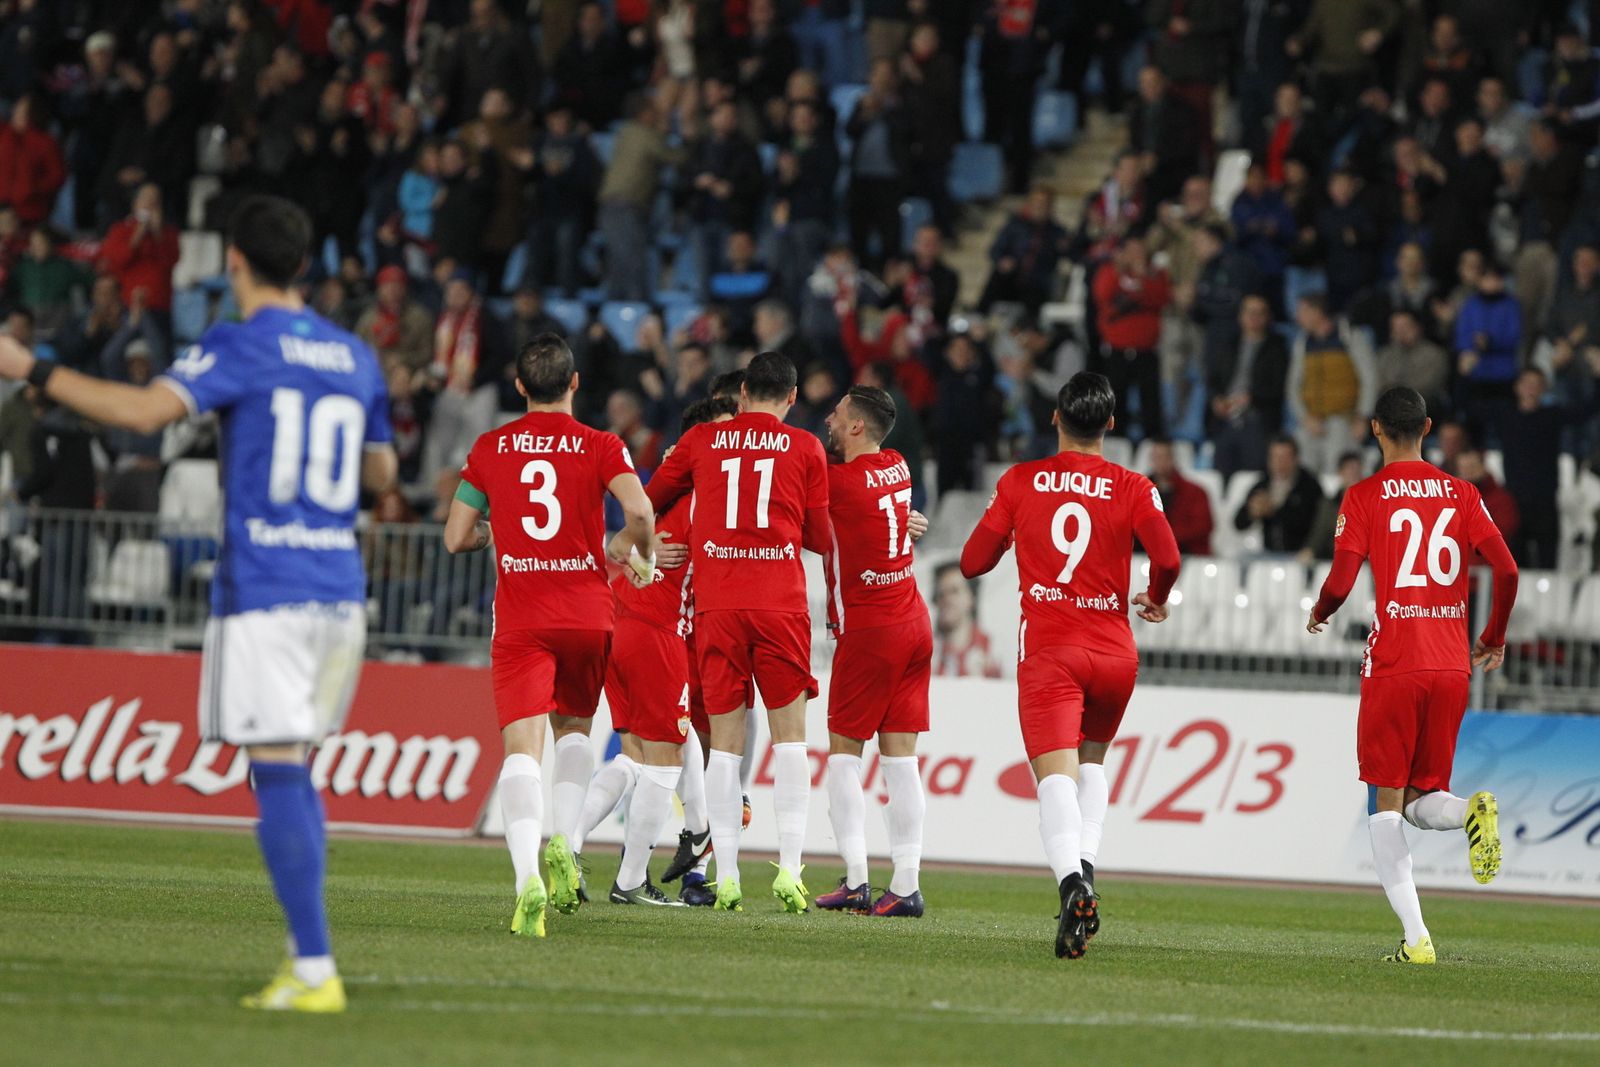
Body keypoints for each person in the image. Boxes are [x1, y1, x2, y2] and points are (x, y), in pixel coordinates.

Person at [0, 195, 400, 1012]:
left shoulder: (240, 342)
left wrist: (27, 367)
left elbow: (144, 411)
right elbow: (383, 473)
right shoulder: (355, 355)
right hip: (339, 591)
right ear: (305, 265)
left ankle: (315, 968)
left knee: (275, 769)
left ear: (234, 262)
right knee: (292, 765)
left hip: (268, 589)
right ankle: (305, 956)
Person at [442, 332, 658, 934]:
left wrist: (494, 533)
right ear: (575, 383)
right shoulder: (601, 444)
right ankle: (567, 841)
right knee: (574, 733)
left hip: (522, 618)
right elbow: (641, 511)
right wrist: (642, 556)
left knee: (521, 750)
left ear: (519, 387)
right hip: (587, 615)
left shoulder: (491, 447)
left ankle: (525, 880)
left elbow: (455, 536)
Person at [960, 372, 1181, 959]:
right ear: (1110, 424)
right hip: (1114, 652)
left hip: (1051, 650)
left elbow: (972, 563)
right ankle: (1085, 870)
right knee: (1092, 762)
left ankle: (1071, 884)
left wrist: (1014, 533)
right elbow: (1168, 557)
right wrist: (1156, 597)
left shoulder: (1020, 480)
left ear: (1055, 417)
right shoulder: (1134, 485)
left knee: (1055, 777)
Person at [1307, 386, 1518, 965]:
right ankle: (1470, 811)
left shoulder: (1364, 495)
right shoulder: (1463, 493)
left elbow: (1341, 582)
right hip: (1451, 664)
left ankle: (1417, 939)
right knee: (1424, 798)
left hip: (1396, 661)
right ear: (1427, 428)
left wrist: (1320, 612)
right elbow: (1506, 569)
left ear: (1375, 428)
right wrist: (1493, 636)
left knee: (1384, 803)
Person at [644, 351, 833, 913]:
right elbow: (821, 537)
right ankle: (791, 870)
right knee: (790, 739)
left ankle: (725, 876)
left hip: (719, 606)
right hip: (780, 606)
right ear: (793, 397)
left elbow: (646, 503)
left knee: (723, 747)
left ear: (744, 392)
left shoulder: (701, 442)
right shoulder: (806, 447)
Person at [570, 398, 740, 906]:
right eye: (722, 435)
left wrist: (641, 553)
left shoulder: (666, 491)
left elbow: (616, 545)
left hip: (619, 621)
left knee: (639, 756)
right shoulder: (708, 498)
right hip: (656, 633)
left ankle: (567, 840)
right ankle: (629, 881)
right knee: (664, 761)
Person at [815, 385, 934, 918]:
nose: (830, 419)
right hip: (913, 621)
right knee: (901, 760)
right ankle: (906, 885)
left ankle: (857, 878)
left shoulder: (836, 483)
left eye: (838, 413)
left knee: (844, 755)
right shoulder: (898, 465)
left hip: (869, 629)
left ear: (857, 426)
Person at [1287, 292, 1377, 476]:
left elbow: (1369, 378)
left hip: (1344, 420)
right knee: (1301, 467)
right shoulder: (1303, 343)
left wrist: (1362, 416)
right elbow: (1293, 386)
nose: (1297, 317)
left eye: (1302, 311)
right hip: (1312, 422)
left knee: (1336, 468)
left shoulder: (1349, 335)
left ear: (1317, 312)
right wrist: (1304, 417)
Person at [1092, 237, 1169, 440]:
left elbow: (1161, 298)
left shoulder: (1156, 274)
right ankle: (1117, 444)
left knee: (1151, 403)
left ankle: (1154, 443)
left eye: (1141, 250)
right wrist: (1120, 272)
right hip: (1117, 351)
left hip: (1146, 351)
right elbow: (1102, 296)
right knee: (1116, 404)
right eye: (1132, 251)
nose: (1137, 255)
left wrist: (1142, 280)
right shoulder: (1109, 272)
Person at [1234, 435, 1324, 554]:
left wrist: (1274, 511)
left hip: (1301, 555)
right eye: (1275, 457)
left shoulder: (1310, 486)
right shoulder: (1263, 485)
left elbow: (1314, 525)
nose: (1279, 462)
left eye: (1285, 457)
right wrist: (1252, 512)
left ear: (1296, 459)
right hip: (1269, 554)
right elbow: (1238, 523)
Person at [931, 562, 1002, 678]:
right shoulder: (929, 654)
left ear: (971, 598)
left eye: (954, 591)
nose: (946, 598)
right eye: (941, 593)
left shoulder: (993, 650)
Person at [1147, 438, 1213, 555]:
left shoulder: (1195, 492)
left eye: (1165, 457)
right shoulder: (1139, 492)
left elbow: (1202, 527)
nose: (1161, 462)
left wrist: (1164, 536)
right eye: (1157, 457)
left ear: (1173, 459)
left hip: (1186, 554)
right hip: (1145, 552)